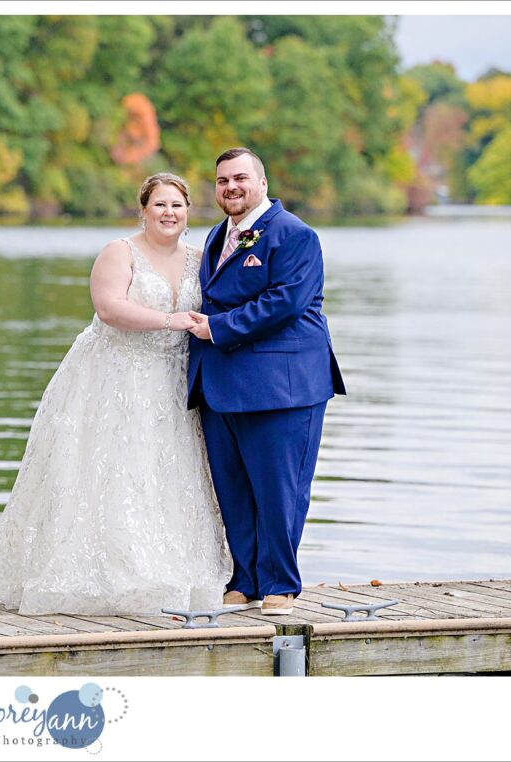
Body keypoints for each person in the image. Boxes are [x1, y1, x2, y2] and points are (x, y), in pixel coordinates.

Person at [0, 173, 232, 615]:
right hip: (115, 376)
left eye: (177, 205)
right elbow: (110, 309)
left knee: (166, 474)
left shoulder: (198, 258)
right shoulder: (120, 252)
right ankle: (106, 577)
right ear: (143, 210)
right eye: (160, 205)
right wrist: (174, 322)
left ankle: (168, 575)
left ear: (189, 213)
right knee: (112, 469)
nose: (169, 213)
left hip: (172, 380)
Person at [187, 147, 346, 616]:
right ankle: (246, 580)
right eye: (221, 181)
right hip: (220, 383)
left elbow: (285, 303)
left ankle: (280, 585)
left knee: (279, 490)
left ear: (262, 183)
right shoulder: (219, 235)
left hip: (283, 386)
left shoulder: (294, 234)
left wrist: (217, 328)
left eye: (240, 178)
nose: (231, 187)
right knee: (233, 489)